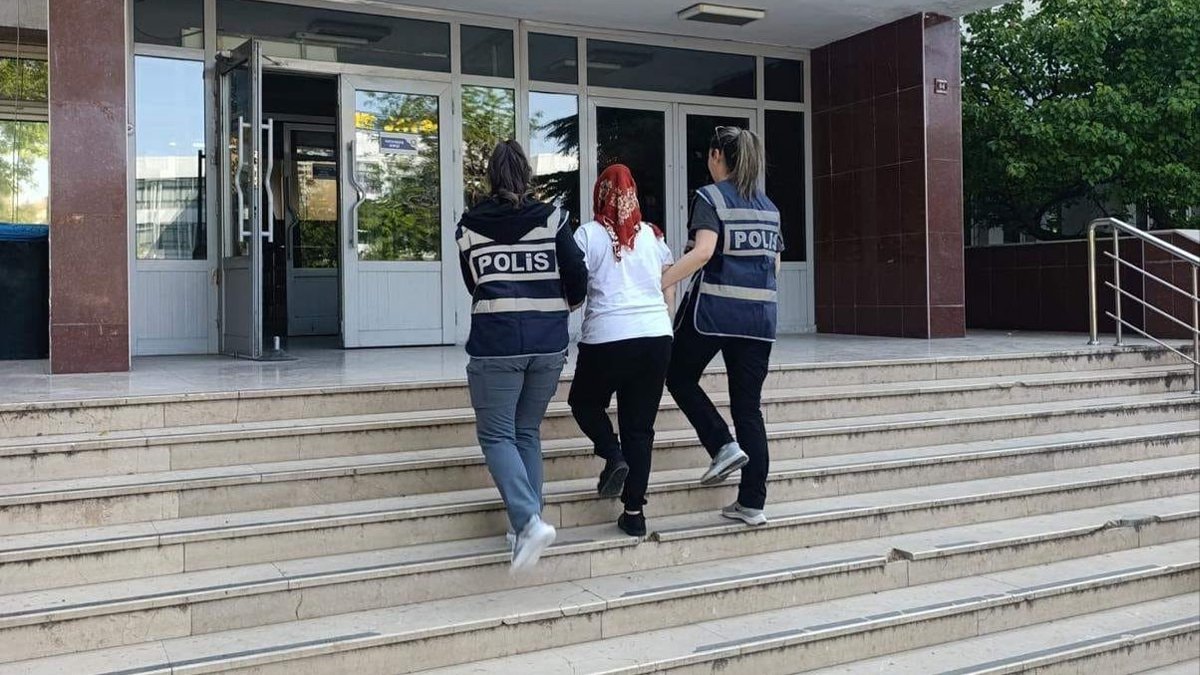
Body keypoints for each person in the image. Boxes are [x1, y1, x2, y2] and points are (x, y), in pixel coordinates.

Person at [455, 140, 588, 570]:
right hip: (548, 343)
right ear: (527, 175)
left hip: (495, 344)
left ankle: (529, 522)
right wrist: (560, 307)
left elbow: (473, 283)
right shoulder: (554, 219)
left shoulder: (468, 226)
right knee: (526, 431)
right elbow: (577, 274)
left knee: (497, 436)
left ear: (491, 177)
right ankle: (524, 528)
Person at [662, 126, 782, 527]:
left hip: (715, 315)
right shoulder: (769, 207)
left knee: (678, 375)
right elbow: (775, 265)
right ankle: (752, 503)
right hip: (759, 321)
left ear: (717, 156)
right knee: (749, 409)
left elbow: (703, 252)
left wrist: (660, 281)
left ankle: (721, 444)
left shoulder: (710, 197)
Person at [568, 164, 675, 537]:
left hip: (607, 338)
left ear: (601, 193)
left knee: (584, 403)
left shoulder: (588, 234)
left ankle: (612, 454)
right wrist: (665, 322)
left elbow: (574, 282)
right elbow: (668, 284)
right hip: (655, 337)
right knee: (640, 429)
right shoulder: (653, 235)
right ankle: (634, 514)